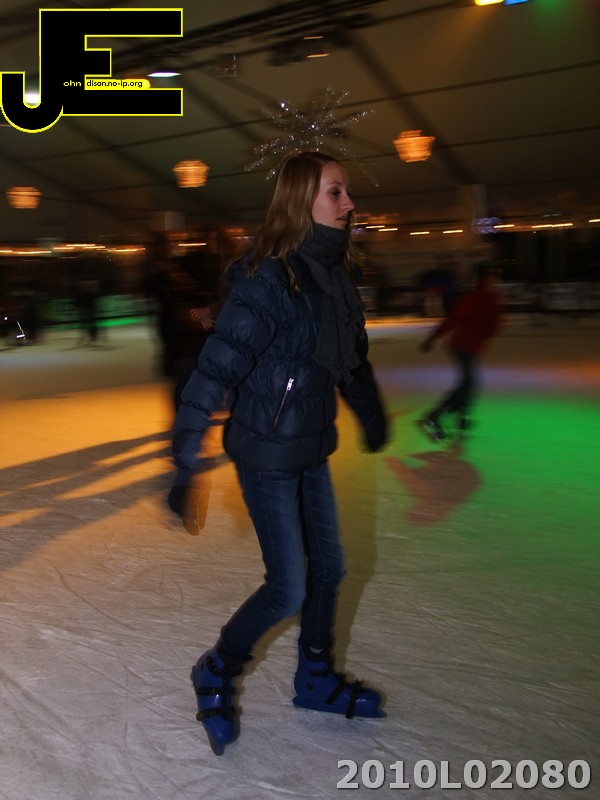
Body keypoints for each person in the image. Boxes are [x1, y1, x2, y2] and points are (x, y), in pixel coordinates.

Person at [168, 151, 389, 755]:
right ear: (300, 201)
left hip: (310, 445)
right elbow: (215, 369)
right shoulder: (270, 279)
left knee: (331, 569)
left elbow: (350, 358)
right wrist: (187, 458)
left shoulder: (332, 277)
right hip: (266, 453)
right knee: (288, 587)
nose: (349, 204)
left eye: (347, 192)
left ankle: (315, 678)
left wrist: (370, 413)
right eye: (336, 192)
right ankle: (216, 669)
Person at [417, 261, 503, 442]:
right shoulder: (485, 297)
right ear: (487, 278)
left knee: (469, 382)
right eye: (492, 276)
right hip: (464, 346)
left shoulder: (477, 297)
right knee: (469, 384)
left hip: (464, 345)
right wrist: (432, 338)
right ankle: (434, 417)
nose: (494, 280)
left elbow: (454, 320)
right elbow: (491, 326)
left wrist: (432, 339)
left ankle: (461, 417)